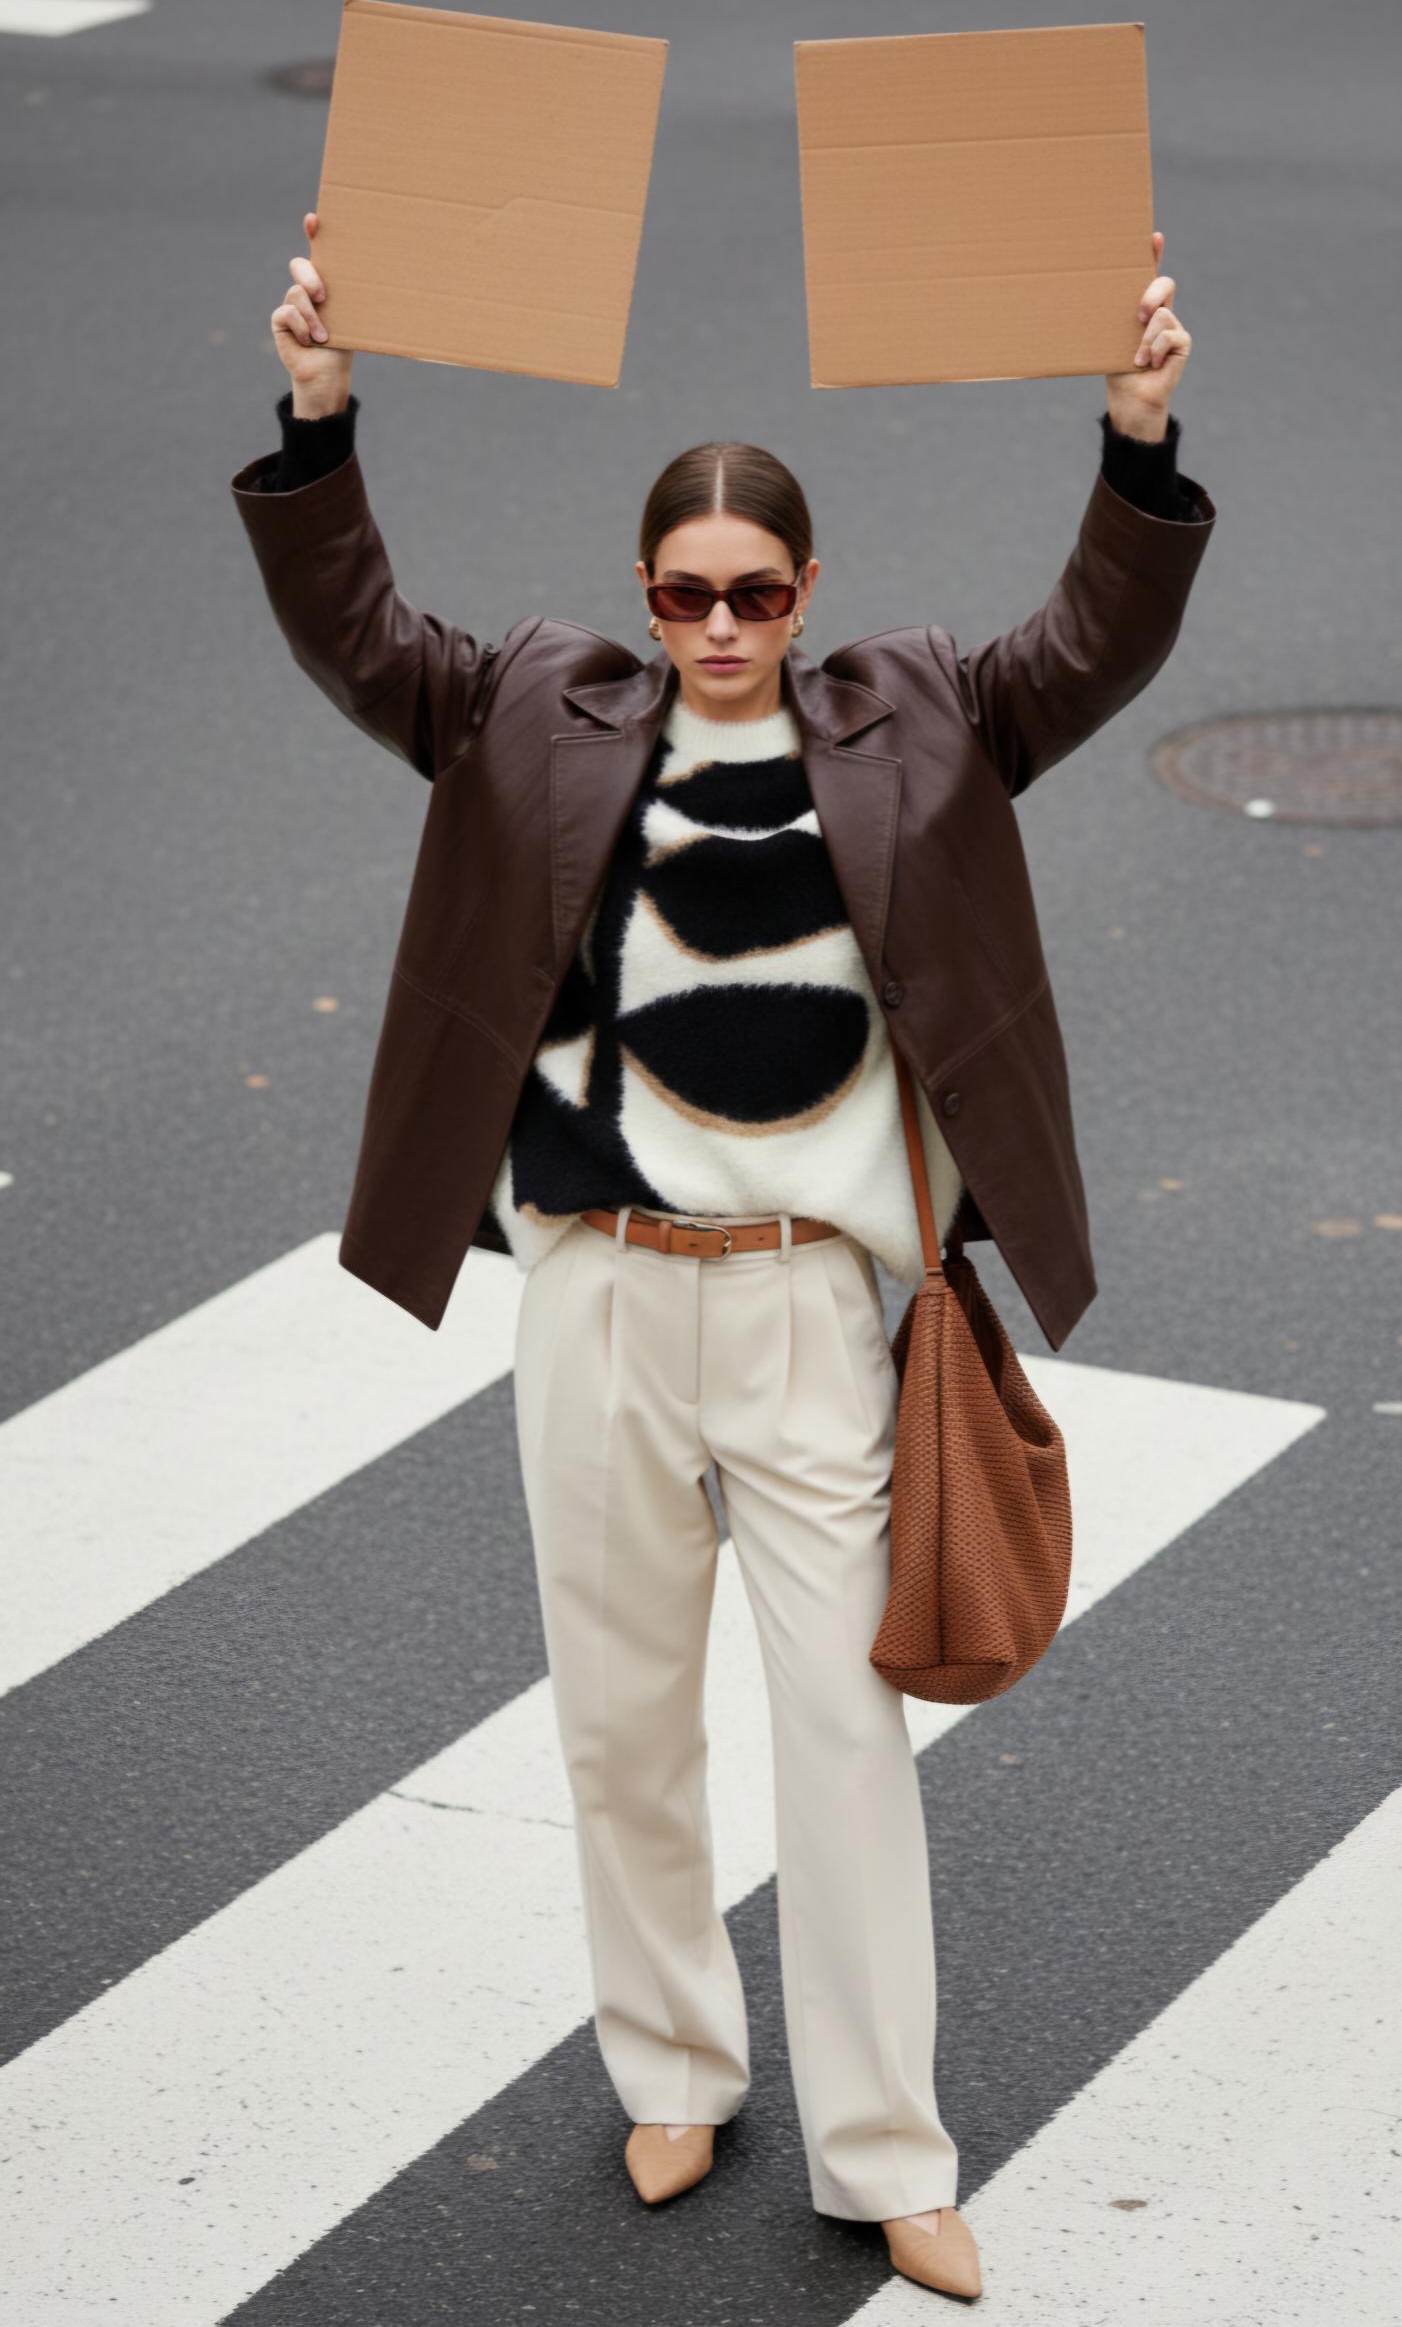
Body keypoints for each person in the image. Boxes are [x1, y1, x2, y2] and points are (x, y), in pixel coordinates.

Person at [236, 209, 1208, 2303]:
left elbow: (1091, 644)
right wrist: (319, 414)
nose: (718, 628)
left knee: (844, 1739)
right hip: (598, 1290)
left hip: (801, 1305)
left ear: (809, 589)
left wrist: (1133, 436)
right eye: (682, 594)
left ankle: (886, 2148)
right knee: (619, 1725)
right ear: (641, 594)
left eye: (755, 592)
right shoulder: (531, 705)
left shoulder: (920, 710)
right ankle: (672, 2067)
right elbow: (354, 630)